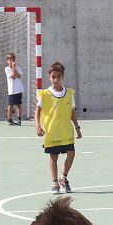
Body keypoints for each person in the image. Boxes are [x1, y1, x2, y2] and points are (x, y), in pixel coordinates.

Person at [35, 61, 81, 194]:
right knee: (53, 157)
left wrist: (77, 127)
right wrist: (37, 125)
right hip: (52, 132)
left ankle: (64, 177)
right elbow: (38, 110)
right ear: (49, 77)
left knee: (71, 154)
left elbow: (72, 112)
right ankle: (55, 182)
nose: (56, 79)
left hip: (66, 132)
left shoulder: (69, 93)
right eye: (53, 77)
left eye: (58, 77)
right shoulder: (45, 94)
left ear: (62, 77)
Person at [4, 52, 23, 126]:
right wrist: (13, 68)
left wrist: (15, 67)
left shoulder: (18, 67)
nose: (11, 62)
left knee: (19, 105)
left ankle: (19, 120)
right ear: (7, 61)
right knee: (10, 105)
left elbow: (18, 76)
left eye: (12, 60)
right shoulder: (7, 69)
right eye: (9, 60)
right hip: (12, 90)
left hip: (19, 89)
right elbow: (13, 76)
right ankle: (10, 120)